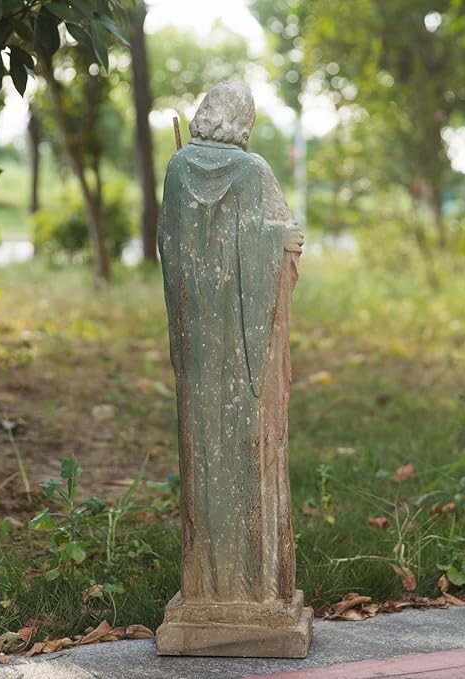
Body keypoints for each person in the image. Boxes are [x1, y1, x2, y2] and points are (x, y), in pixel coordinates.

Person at [159, 81, 304, 604]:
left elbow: (169, 249)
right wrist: (281, 243)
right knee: (248, 448)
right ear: (243, 120)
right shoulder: (252, 171)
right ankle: (252, 588)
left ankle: (207, 589)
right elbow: (287, 238)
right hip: (247, 350)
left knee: (205, 450)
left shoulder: (177, 169)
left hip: (198, 341)